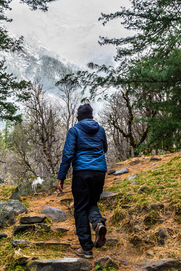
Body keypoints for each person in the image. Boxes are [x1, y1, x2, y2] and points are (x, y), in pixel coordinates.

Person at [56, 104, 108, 259]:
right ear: (91, 116)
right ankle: (98, 223)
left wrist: (61, 176)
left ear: (78, 116)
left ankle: (86, 249)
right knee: (92, 203)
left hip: (82, 173)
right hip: (99, 172)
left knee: (80, 208)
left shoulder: (75, 130)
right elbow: (104, 148)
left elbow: (68, 154)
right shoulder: (101, 130)